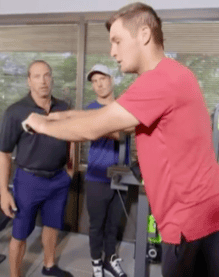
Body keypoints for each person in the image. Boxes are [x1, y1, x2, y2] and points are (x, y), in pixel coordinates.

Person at [22, 3, 219, 277]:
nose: (113, 52)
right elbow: (107, 116)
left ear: (144, 34)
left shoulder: (159, 81)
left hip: (193, 221)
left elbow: (92, 127)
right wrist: (55, 118)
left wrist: (39, 122)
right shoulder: (173, 75)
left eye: (117, 41)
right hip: (215, 209)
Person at [0, 60, 74, 277]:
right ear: (28, 81)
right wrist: (4, 192)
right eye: (37, 76)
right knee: (20, 234)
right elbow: (3, 154)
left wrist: (70, 169)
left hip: (58, 179)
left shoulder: (63, 107)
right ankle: (15, 275)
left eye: (47, 75)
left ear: (52, 79)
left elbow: (72, 139)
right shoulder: (15, 111)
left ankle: (49, 266)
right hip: (29, 181)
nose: (43, 80)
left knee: (52, 225)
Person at [85, 64, 129, 277]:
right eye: (94, 81)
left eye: (102, 78)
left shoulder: (126, 106)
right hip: (97, 176)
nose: (99, 84)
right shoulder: (90, 110)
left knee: (114, 224)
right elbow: (116, 132)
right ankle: (96, 263)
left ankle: (110, 260)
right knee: (97, 225)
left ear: (112, 80)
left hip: (122, 175)